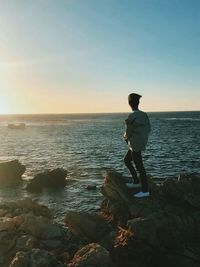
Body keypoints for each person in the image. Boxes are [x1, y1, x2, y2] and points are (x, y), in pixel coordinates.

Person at [124, 93, 151, 198]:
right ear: (138, 103)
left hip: (134, 145)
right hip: (140, 142)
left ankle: (145, 191)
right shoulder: (144, 115)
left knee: (140, 167)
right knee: (127, 160)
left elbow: (128, 133)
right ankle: (136, 181)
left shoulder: (131, 116)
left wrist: (127, 126)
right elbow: (149, 128)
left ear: (129, 104)